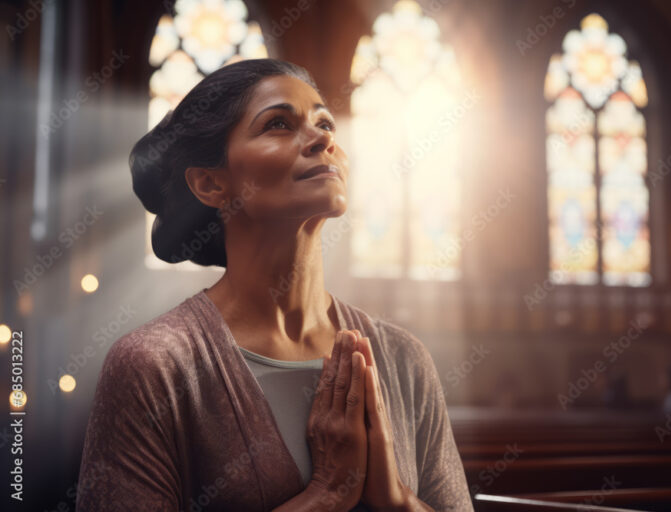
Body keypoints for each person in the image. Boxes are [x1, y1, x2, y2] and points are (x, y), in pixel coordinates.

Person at [75, 58, 473, 512]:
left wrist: (398, 501)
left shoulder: (404, 360)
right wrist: (327, 494)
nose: (323, 137)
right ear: (210, 183)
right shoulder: (153, 367)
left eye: (325, 122)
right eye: (279, 124)